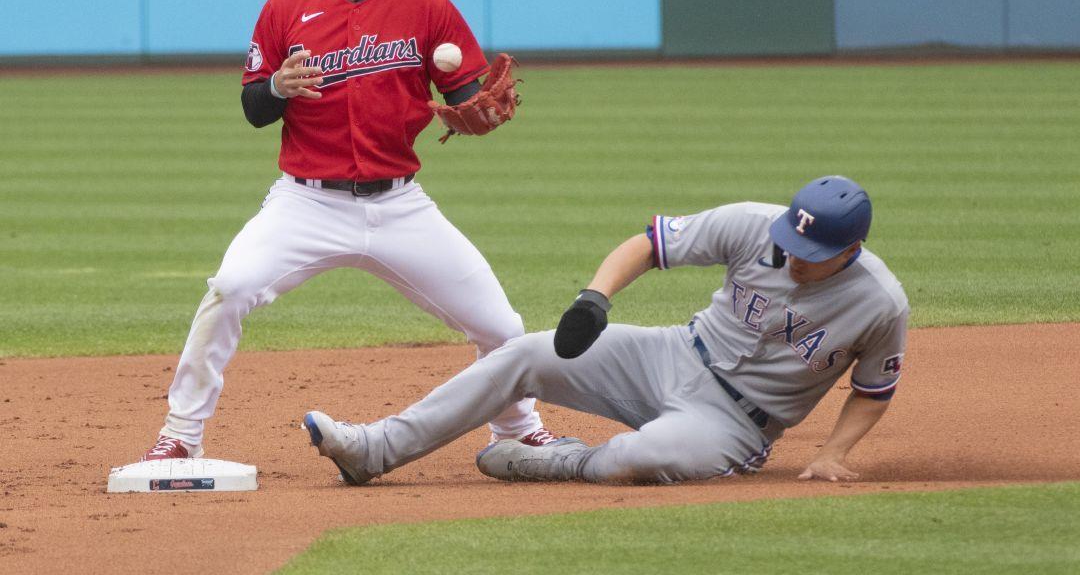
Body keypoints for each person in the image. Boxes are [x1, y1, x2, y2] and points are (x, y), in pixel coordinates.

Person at [141, 0, 553, 461]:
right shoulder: (285, 9)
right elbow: (254, 109)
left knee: (501, 327)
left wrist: (479, 116)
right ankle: (180, 435)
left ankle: (517, 431)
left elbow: (466, 96)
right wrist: (279, 87)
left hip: (399, 204)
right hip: (307, 203)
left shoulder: (429, 5)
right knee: (229, 289)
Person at [303, 175, 909, 484]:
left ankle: (554, 462)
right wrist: (596, 296)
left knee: (636, 459)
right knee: (524, 354)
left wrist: (832, 453)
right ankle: (372, 450)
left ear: (852, 247)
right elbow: (649, 246)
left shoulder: (880, 303)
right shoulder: (752, 225)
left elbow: (873, 388)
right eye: (791, 238)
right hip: (672, 354)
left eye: (812, 248)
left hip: (735, 423)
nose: (794, 253)